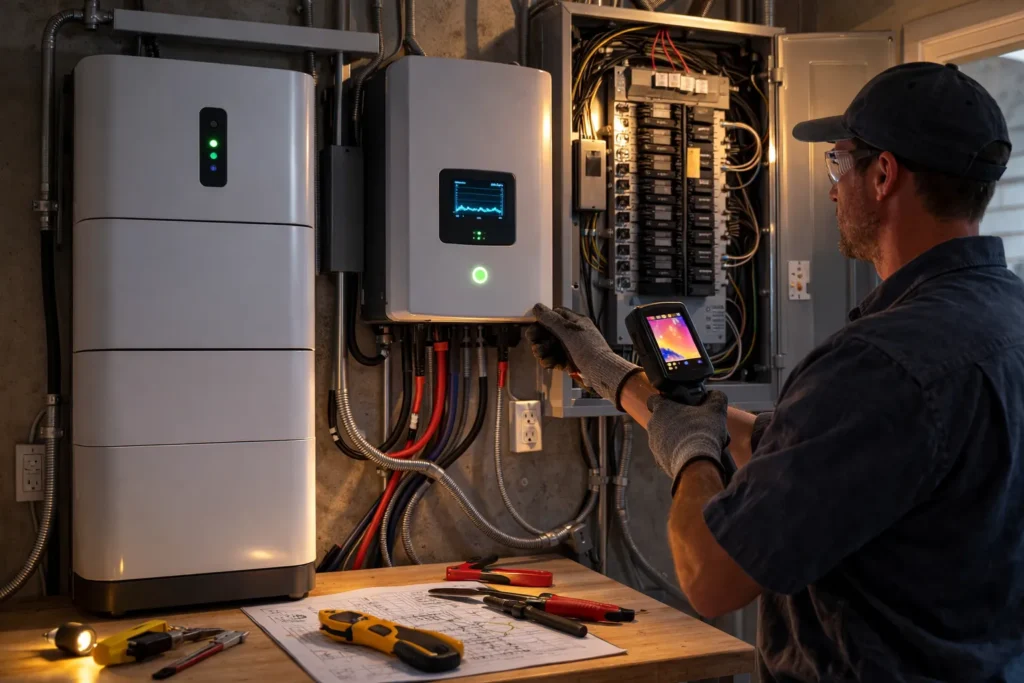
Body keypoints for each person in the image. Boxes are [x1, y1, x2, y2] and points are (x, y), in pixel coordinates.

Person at [528, 62, 1024, 682]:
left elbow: (710, 577)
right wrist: (612, 375)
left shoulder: (879, 361)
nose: (833, 187)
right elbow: (816, 450)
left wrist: (689, 450)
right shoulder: (1006, 321)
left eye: (838, 162)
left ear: (884, 174)